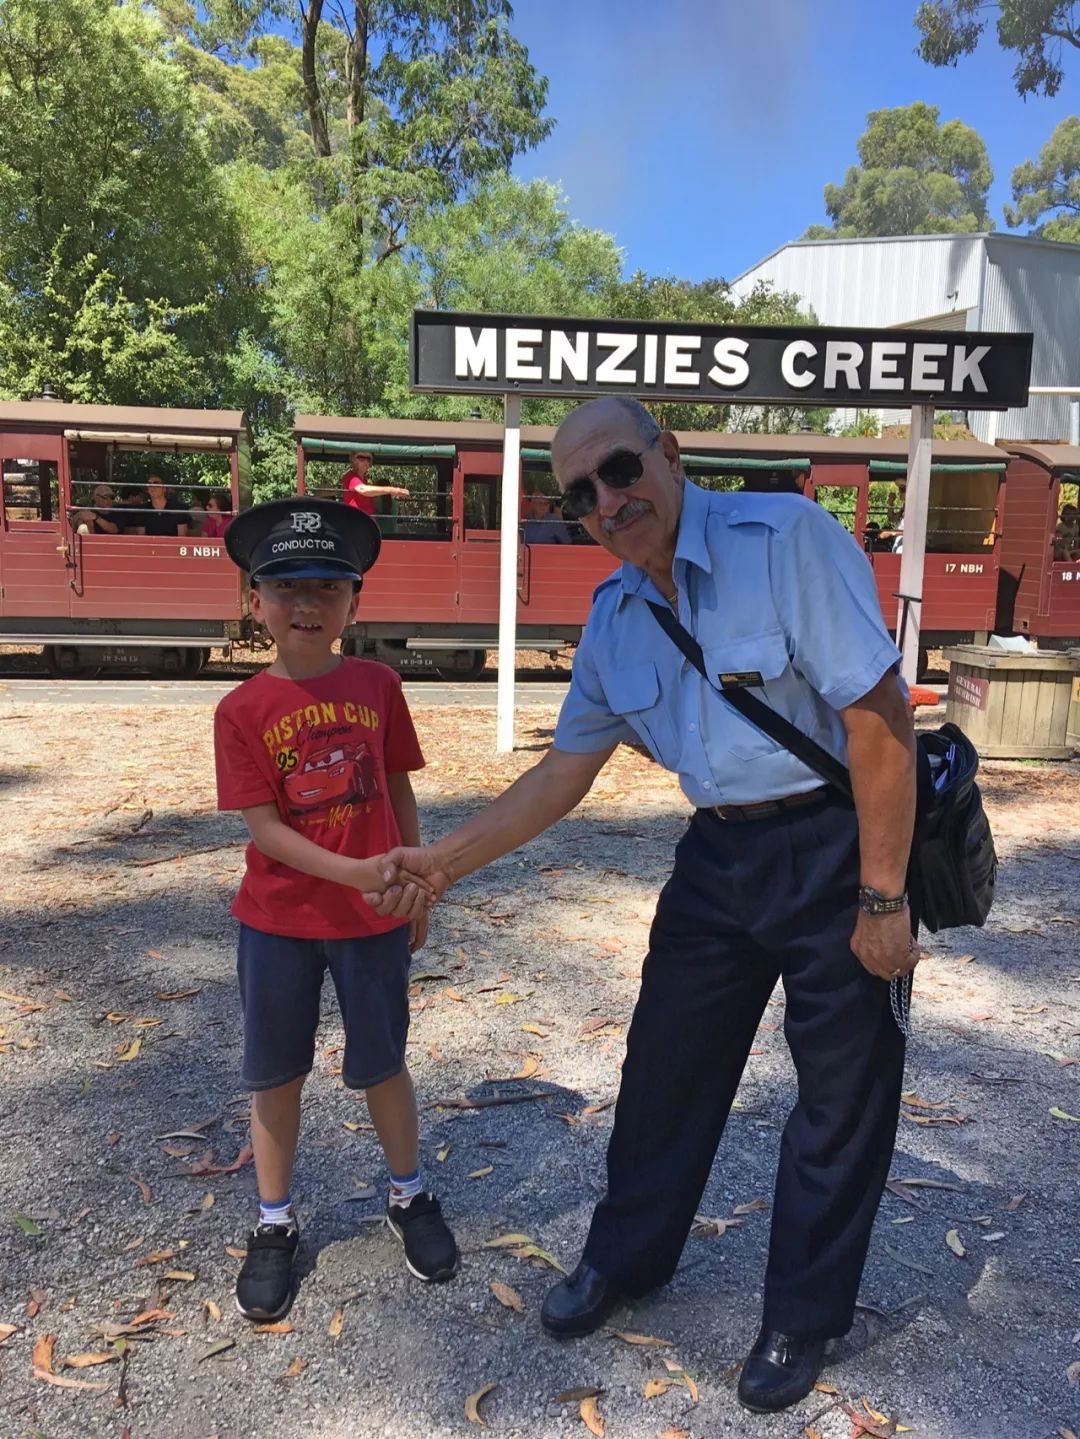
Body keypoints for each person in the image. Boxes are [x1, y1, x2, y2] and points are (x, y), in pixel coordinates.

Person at [363, 396, 918, 1414]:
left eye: (620, 470)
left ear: (669, 452)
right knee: (664, 1065)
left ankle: (802, 1312)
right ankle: (628, 1257)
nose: (608, 501)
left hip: (836, 839)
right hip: (721, 853)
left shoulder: (782, 537)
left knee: (841, 1096)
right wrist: (441, 861)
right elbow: (560, 774)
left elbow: (879, 713)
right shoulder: (617, 616)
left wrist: (884, 895)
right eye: (580, 495)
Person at [214, 497, 457, 1324]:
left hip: (374, 918)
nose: (308, 604)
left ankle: (408, 1194)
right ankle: (274, 1222)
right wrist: (356, 869)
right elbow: (266, 831)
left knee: (384, 1062)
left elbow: (396, 785)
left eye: (327, 586)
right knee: (276, 1074)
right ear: (257, 604)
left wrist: (418, 880)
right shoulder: (241, 709)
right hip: (277, 923)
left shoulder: (379, 685)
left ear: (356, 599)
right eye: (287, 588)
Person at [340, 451, 411, 516]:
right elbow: (362, 489)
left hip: (366, 521)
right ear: (352, 459)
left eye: (368, 459)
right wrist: (392, 490)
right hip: (356, 521)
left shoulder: (364, 479)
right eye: (361, 458)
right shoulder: (351, 476)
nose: (365, 462)